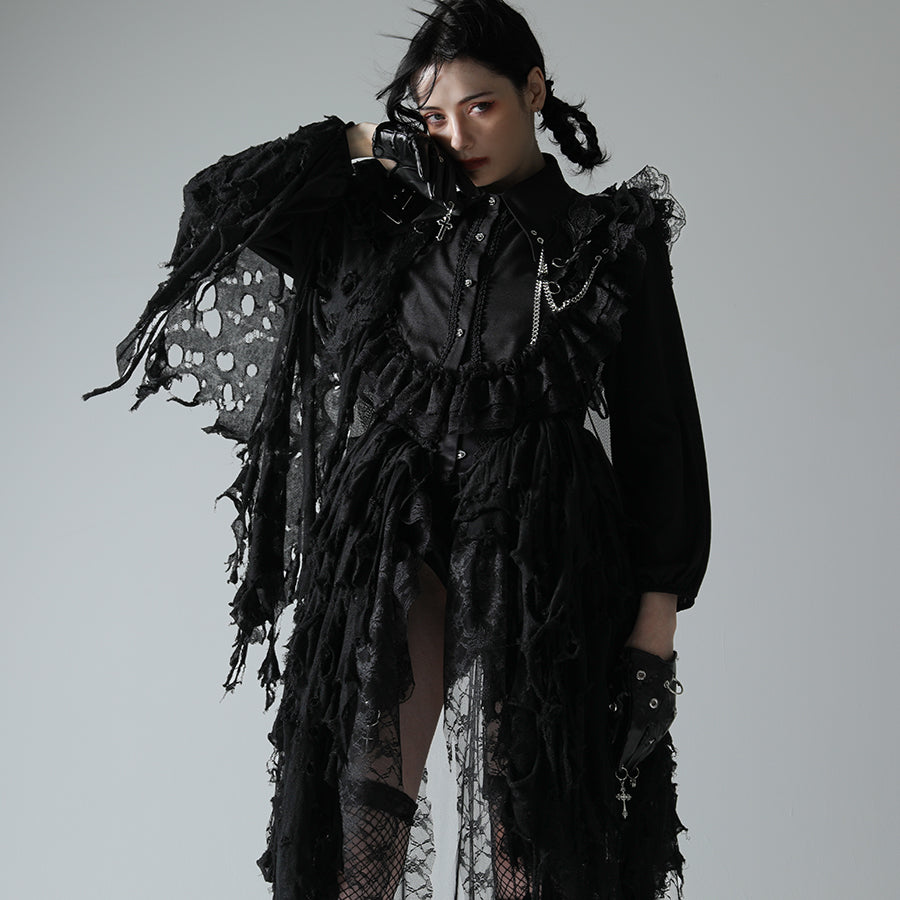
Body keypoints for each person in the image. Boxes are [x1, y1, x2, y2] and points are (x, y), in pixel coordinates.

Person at [83, 0, 711, 897]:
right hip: (391, 541)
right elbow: (212, 204)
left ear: (534, 91)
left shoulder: (605, 242)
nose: (457, 135)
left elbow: (660, 432)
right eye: (434, 114)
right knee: (357, 831)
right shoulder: (380, 221)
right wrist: (361, 142)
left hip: (536, 561)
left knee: (531, 843)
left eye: (481, 106)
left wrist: (656, 635)